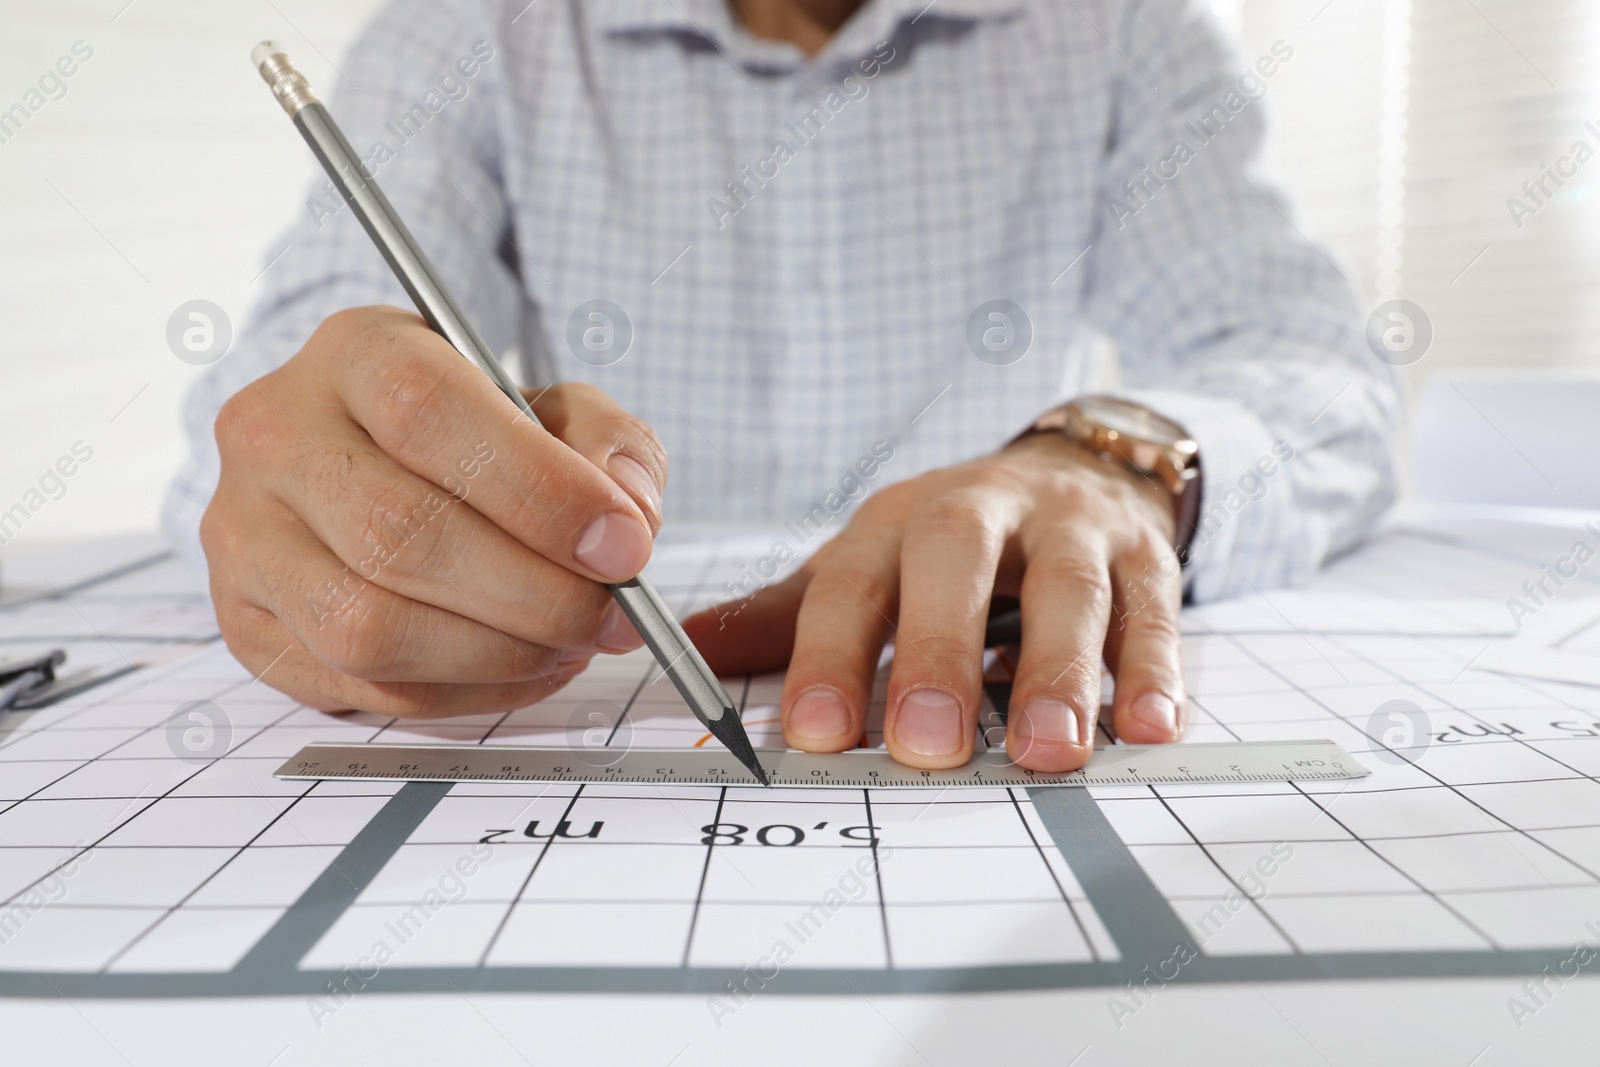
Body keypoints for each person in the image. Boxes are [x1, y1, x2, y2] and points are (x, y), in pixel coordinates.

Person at [164, 0, 1399, 774]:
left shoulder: (1119, 26)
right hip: (608, 658)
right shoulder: (472, 31)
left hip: (991, 645)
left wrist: (1111, 456)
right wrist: (335, 474)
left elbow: (1317, 368)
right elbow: (284, 385)